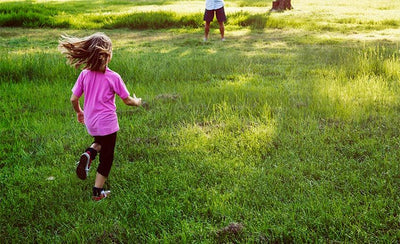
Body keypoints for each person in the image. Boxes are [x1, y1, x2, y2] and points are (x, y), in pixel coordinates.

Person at [58, 32, 142, 201]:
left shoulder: (84, 74)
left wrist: (79, 112)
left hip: (91, 122)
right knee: (107, 157)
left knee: (100, 142)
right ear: (108, 55)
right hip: (108, 124)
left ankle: (89, 152)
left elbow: (73, 98)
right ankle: (97, 192)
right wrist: (137, 102)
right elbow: (127, 101)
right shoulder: (113, 77)